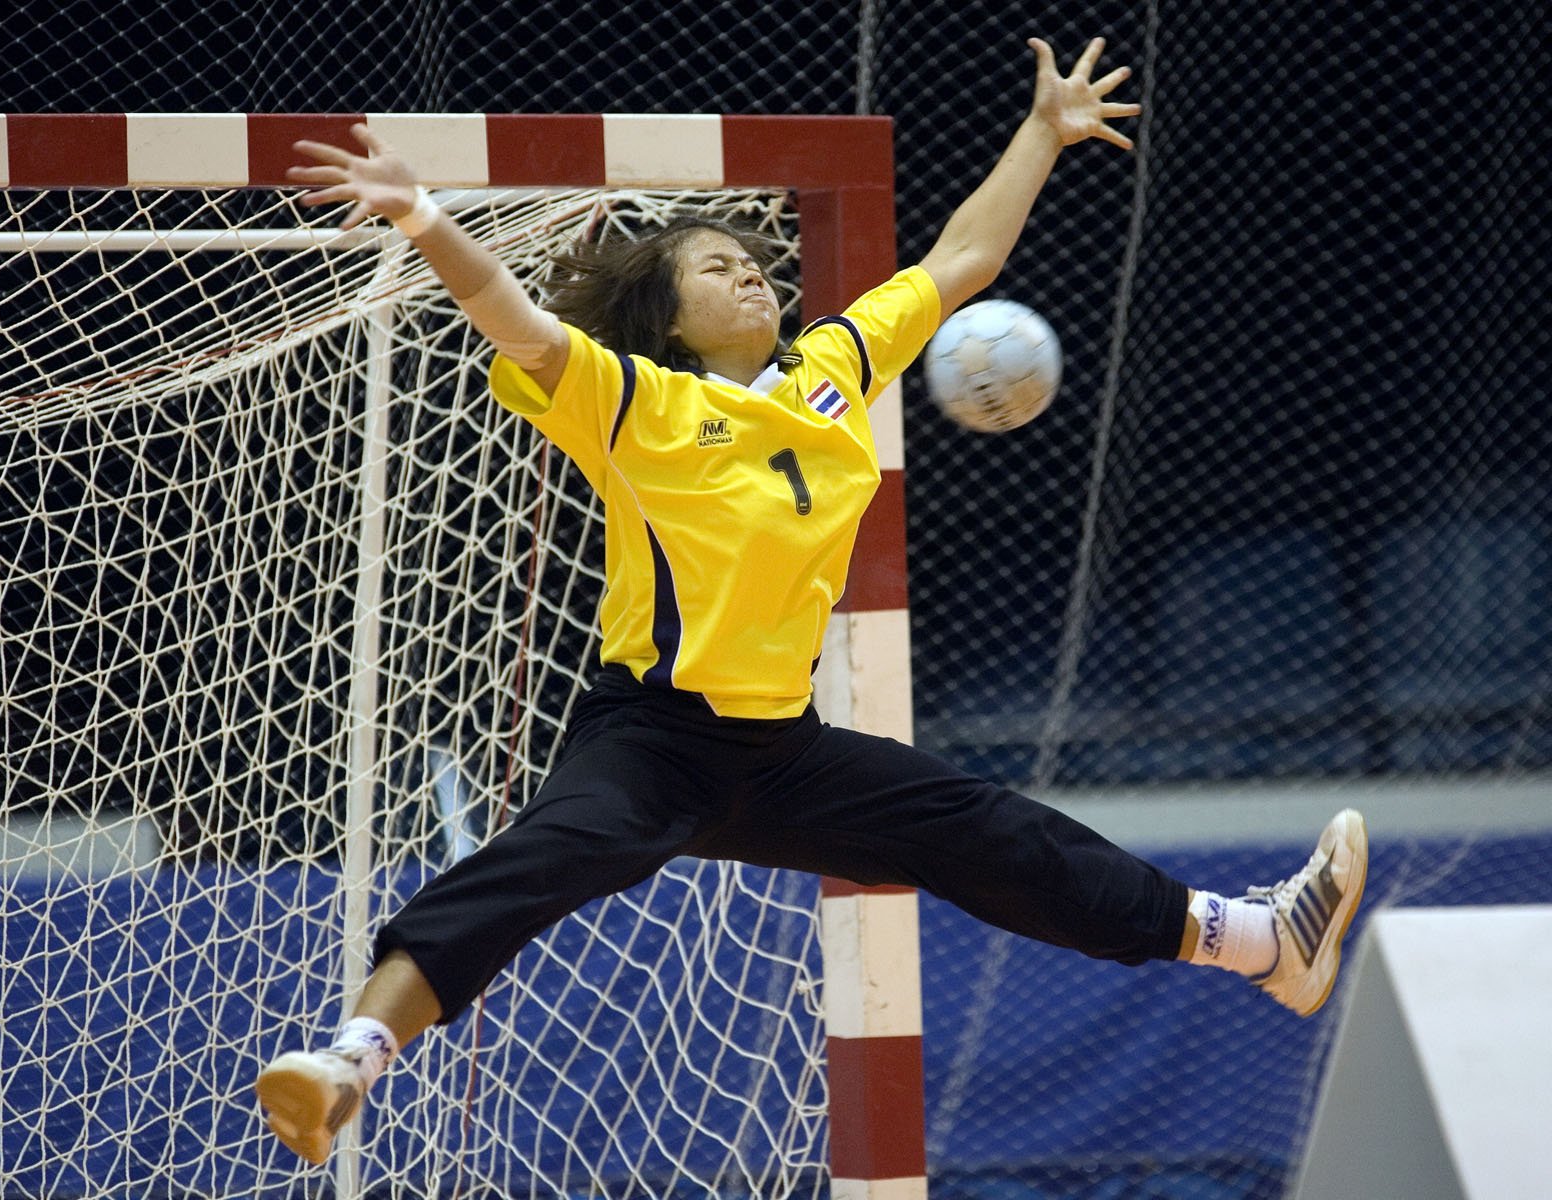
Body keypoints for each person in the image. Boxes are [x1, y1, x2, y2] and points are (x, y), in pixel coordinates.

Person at [257, 37, 1369, 1166]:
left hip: (779, 749)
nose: (748, 272)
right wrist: (426, 220)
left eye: (750, 261)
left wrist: (1042, 129)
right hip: (652, 736)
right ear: (666, 314)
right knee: (537, 862)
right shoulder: (635, 400)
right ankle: (349, 1059)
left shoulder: (828, 372)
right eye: (713, 267)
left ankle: (1261, 942)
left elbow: (964, 260)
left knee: (988, 833)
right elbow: (519, 324)